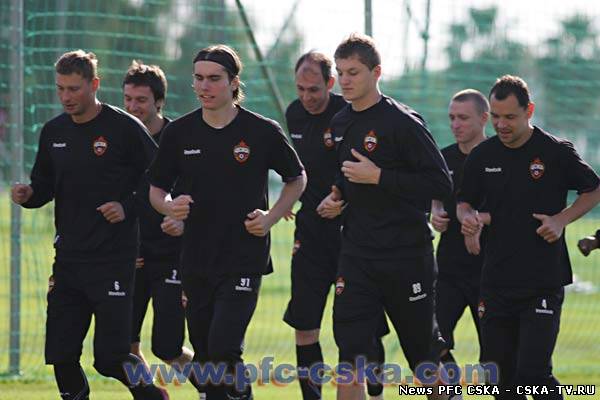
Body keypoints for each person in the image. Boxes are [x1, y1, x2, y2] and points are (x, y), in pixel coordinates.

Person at [147, 44, 306, 400]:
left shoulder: (261, 131)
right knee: (207, 357)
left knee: (223, 347)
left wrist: (270, 218)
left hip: (243, 259)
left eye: (214, 78)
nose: (204, 86)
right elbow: (156, 190)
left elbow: (297, 178)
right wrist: (170, 207)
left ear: (234, 83)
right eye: (199, 78)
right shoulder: (179, 133)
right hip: (195, 260)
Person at [11, 50, 168, 400]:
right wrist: (28, 194)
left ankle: (153, 397)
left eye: (74, 89)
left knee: (111, 358)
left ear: (94, 84)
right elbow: (44, 185)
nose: (66, 97)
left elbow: (160, 176)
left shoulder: (124, 128)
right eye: (60, 88)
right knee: (61, 355)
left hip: (113, 259)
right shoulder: (53, 132)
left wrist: (126, 206)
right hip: (68, 259)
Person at [318, 33, 454, 400]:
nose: (345, 80)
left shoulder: (403, 122)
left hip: (406, 256)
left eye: (354, 72)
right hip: (357, 256)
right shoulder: (340, 122)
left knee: (423, 360)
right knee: (350, 358)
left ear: (376, 73)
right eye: (340, 72)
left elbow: (440, 184)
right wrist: (338, 196)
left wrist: (379, 176)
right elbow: (347, 177)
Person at [457, 75, 600, 400]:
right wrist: (468, 219)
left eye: (510, 117)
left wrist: (561, 220)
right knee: (498, 379)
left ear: (529, 111)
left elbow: (594, 189)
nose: (501, 124)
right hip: (495, 281)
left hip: (542, 282)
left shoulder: (555, 151)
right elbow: (465, 202)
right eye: (495, 116)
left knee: (533, 374)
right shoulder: (482, 155)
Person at [283, 51, 388, 400]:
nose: (307, 97)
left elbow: (367, 173)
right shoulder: (294, 114)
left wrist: (342, 200)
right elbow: (297, 169)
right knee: (304, 324)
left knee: (363, 326)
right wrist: (287, 200)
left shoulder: (349, 116)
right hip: (310, 236)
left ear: (330, 83)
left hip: (352, 235)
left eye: (314, 89)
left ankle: (375, 390)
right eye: (300, 89)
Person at [122, 60, 194, 379]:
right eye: (128, 99)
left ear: (159, 101)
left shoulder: (179, 139)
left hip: (171, 256)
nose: (132, 106)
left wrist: (183, 222)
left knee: (167, 347)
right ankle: (152, 394)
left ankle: (219, 388)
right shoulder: (118, 139)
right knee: (124, 346)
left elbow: (200, 193)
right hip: (130, 256)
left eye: (141, 100)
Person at [430, 89, 488, 377]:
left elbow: (514, 210)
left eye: (463, 118)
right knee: (431, 342)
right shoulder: (443, 158)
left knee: (496, 356)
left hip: (489, 271)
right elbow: (435, 196)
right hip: (449, 269)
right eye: (452, 118)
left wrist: (478, 222)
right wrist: (436, 212)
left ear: (484, 118)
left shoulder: (499, 158)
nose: (455, 124)